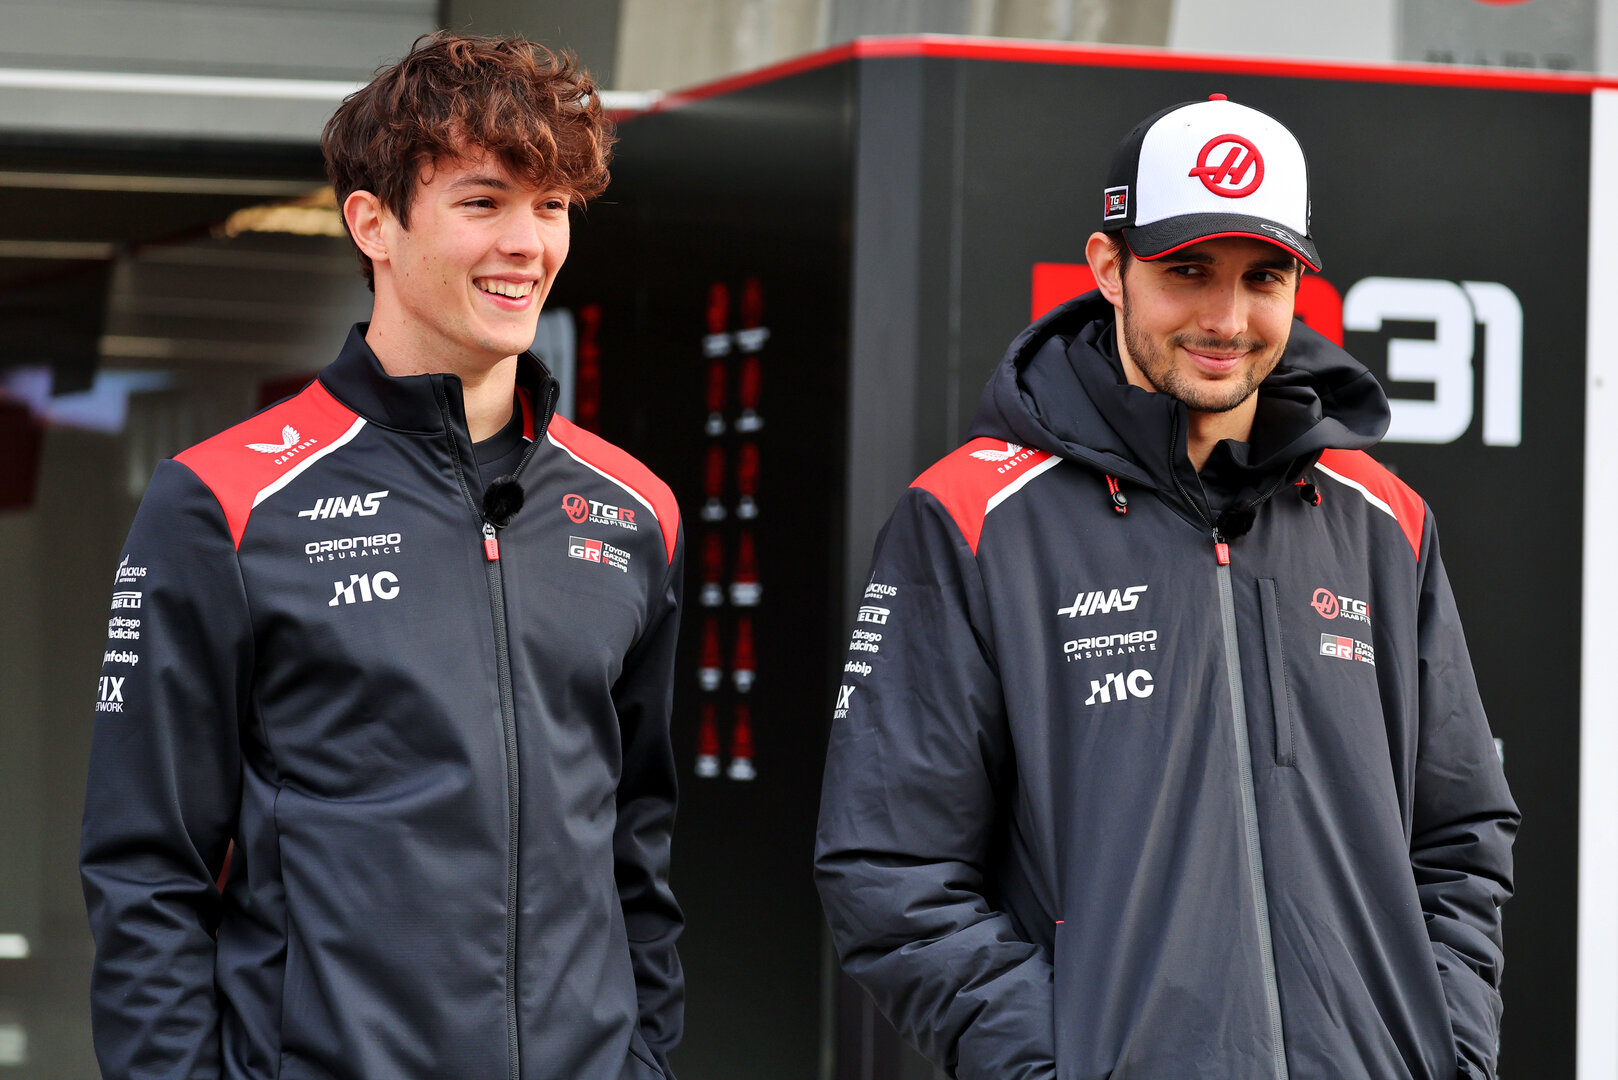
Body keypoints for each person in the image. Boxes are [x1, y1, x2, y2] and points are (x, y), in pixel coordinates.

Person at [815, 94, 1517, 1080]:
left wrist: (1440, 1051)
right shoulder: (970, 517)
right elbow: (889, 866)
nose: (1225, 319)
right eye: (1186, 272)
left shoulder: (1381, 518)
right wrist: (1050, 1065)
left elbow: (1459, 833)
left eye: (1261, 278)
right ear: (1108, 267)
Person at [81, 33, 683, 1080]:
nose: (527, 245)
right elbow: (146, 877)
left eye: (551, 209)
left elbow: (638, 844)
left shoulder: (633, 510)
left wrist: (645, 1062)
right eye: (484, 202)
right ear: (373, 223)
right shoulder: (222, 503)